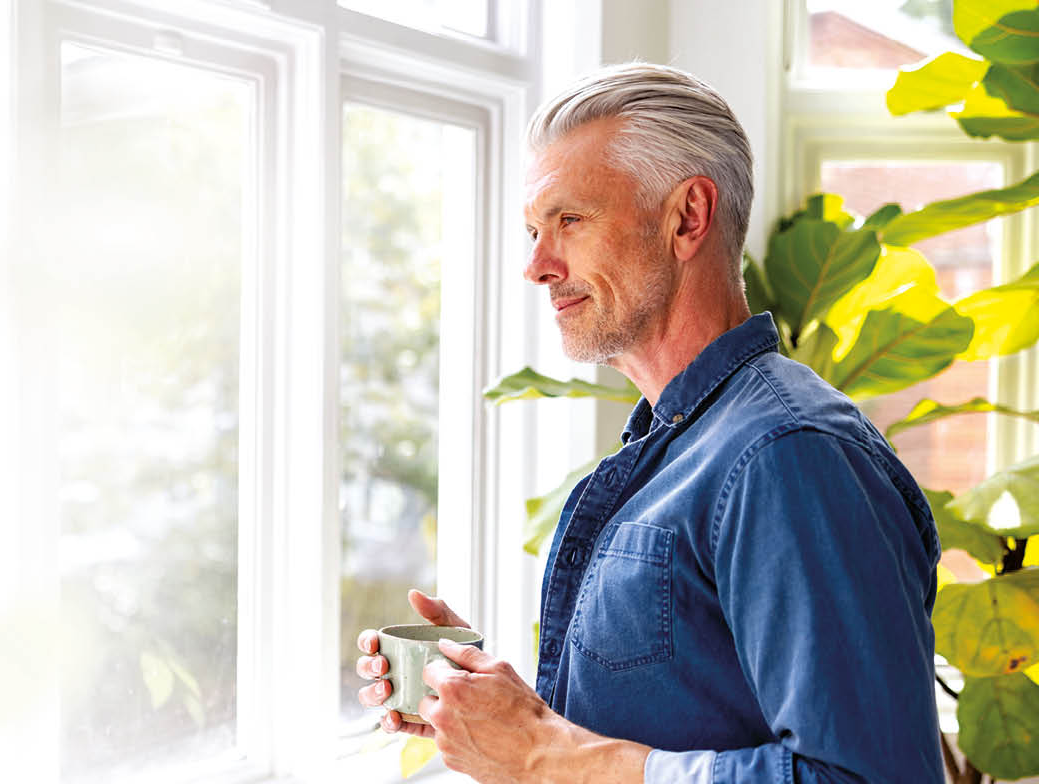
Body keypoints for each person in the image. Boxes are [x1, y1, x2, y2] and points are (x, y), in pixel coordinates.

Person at [354, 62, 946, 783]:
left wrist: (547, 755)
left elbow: (867, 777)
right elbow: (682, 729)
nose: (537, 265)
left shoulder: (788, 456)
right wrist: (505, 725)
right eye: (533, 230)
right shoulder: (680, 444)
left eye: (569, 220)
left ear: (687, 218)